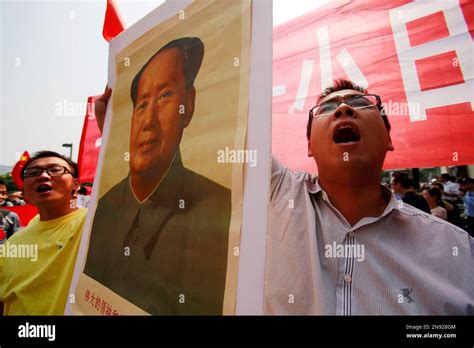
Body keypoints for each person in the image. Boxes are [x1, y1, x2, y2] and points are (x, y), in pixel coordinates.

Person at [264, 79, 474, 315]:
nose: (344, 109)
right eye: (326, 108)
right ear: (310, 145)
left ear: (388, 139)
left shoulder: (461, 251)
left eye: (361, 103)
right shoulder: (274, 192)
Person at [85, 37, 231, 315]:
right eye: (141, 104)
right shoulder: (105, 208)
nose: (148, 121)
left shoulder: (222, 209)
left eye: (165, 96)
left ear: (188, 104)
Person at [0, 151, 86, 315]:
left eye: (55, 170)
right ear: (24, 190)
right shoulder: (14, 242)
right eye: (33, 173)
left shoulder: (90, 222)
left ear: (75, 185)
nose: (43, 176)